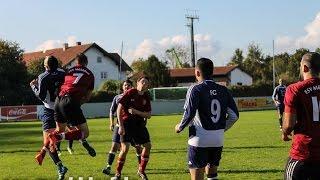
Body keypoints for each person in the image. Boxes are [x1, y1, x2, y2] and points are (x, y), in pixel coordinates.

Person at [175, 58, 239, 180]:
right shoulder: (224, 90)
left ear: (197, 73)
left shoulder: (195, 89)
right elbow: (234, 116)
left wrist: (179, 127)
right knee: (212, 173)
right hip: (218, 139)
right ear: (212, 72)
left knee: (197, 175)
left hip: (199, 139)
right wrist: (221, 128)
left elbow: (189, 114)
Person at [48, 53, 96, 157]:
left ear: (76, 62)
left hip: (58, 100)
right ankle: (60, 138)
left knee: (58, 130)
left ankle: (43, 151)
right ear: (86, 62)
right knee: (85, 133)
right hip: (71, 101)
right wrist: (77, 104)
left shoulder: (68, 71)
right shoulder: (90, 74)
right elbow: (87, 97)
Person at [282, 52, 320, 179]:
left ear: (304, 67)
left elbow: (288, 125)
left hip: (303, 154)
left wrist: (285, 132)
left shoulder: (294, 89)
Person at [30, 56, 68, 180]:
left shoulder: (43, 76)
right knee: (52, 141)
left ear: (46, 66)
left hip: (50, 110)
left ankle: (60, 167)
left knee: (50, 141)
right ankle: (43, 155)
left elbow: (41, 96)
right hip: (63, 108)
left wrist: (33, 86)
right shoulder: (62, 72)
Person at [113, 77, 152, 180]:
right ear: (138, 82)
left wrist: (136, 112)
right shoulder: (130, 92)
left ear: (147, 86)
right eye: (142, 81)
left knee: (147, 145)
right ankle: (117, 174)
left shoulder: (146, 97)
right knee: (125, 149)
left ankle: (141, 171)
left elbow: (148, 115)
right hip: (126, 123)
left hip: (139, 124)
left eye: (146, 83)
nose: (144, 84)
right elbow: (119, 109)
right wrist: (120, 126)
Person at [103, 80, 143, 175]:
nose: (126, 87)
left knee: (137, 147)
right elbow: (111, 111)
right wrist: (111, 123)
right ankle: (108, 167)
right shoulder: (117, 97)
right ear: (122, 87)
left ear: (131, 87)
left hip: (133, 126)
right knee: (114, 146)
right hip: (119, 126)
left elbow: (140, 110)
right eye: (125, 85)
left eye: (128, 85)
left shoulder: (135, 97)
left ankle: (141, 166)